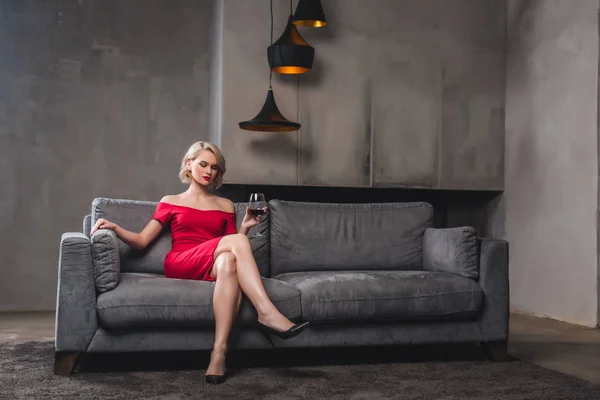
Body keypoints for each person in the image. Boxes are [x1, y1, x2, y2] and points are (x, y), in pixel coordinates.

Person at [90, 140, 309, 385]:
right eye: (203, 164)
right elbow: (142, 241)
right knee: (231, 247)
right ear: (189, 164)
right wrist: (115, 228)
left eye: (214, 168)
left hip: (213, 260)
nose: (209, 172)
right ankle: (266, 311)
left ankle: (219, 353)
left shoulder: (225, 204)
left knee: (228, 261)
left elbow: (232, 246)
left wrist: (245, 227)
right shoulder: (170, 201)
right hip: (182, 261)